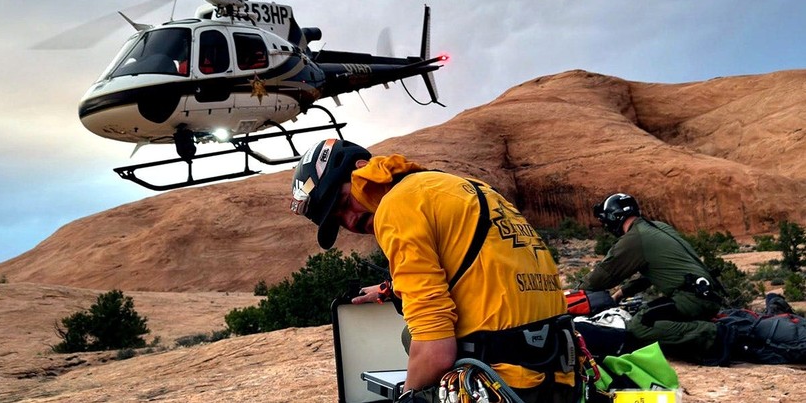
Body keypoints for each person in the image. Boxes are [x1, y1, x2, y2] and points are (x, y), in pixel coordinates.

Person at [290, 139, 577, 403]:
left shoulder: (396, 205)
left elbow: (435, 353)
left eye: (343, 203)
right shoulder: (460, 186)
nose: (351, 221)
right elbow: (482, 266)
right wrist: (389, 289)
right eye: (340, 222)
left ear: (361, 169)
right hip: (562, 376)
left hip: (500, 385)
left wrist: (407, 398)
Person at [579, 193, 731, 365]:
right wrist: (621, 293)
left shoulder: (634, 238)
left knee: (640, 325)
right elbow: (653, 274)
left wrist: (575, 295)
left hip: (692, 299)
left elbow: (601, 277)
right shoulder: (658, 227)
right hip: (707, 295)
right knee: (652, 313)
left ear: (615, 218)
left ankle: (713, 335)